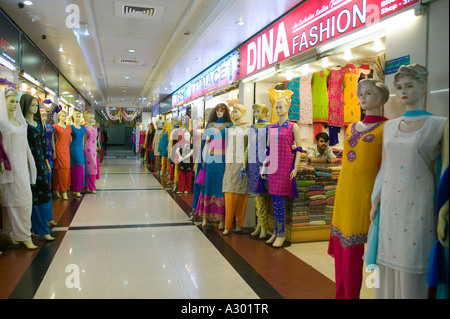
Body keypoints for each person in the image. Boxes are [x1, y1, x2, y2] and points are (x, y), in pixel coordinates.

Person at [367, 64, 448, 299]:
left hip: (419, 204)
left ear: (423, 87)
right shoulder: (390, 126)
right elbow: (385, 167)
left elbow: (445, 171)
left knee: (415, 259)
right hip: (390, 203)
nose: (403, 91)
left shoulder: (440, 124)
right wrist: (376, 200)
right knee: (386, 263)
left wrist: (444, 209)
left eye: (410, 85)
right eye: (400, 86)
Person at [327, 78, 389, 299]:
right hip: (345, 191)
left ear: (382, 97)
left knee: (369, 254)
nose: (362, 97)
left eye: (369, 93)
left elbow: (385, 165)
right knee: (345, 251)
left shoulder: (387, 128)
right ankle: (342, 294)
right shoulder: (352, 126)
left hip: (368, 193)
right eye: (360, 93)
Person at [262, 96, 302, 248]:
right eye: (276, 107)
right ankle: (276, 231)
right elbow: (268, 149)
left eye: (280, 107)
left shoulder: (293, 127)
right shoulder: (271, 127)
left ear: (287, 108)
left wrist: (296, 167)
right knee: (274, 200)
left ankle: (282, 233)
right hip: (272, 166)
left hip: (285, 166)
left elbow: (298, 148)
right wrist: (264, 166)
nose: (278, 110)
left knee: (280, 201)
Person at [0, 87, 37, 249]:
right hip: (8, 167)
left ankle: (22, 234)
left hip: (22, 165)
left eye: (16, 101)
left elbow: (26, 145)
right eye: (11, 101)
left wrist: (32, 164)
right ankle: (11, 233)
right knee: (9, 200)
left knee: (24, 198)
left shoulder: (20, 121)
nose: (15, 104)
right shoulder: (2, 123)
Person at [20, 93, 55, 241]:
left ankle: (43, 228)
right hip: (27, 163)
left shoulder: (38, 124)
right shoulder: (23, 125)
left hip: (40, 163)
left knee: (44, 193)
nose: (34, 108)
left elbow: (42, 145)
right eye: (32, 105)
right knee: (31, 196)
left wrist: (46, 161)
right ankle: (34, 228)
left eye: (36, 105)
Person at [196, 103, 233, 229]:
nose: (219, 112)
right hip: (210, 160)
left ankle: (221, 219)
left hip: (223, 160)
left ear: (225, 112)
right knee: (208, 185)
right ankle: (205, 217)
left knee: (220, 187)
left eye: (222, 110)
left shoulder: (230, 126)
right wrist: (203, 159)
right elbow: (206, 143)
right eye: (217, 110)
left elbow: (231, 144)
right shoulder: (210, 126)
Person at [222, 104, 250, 235]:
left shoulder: (248, 127)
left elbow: (249, 147)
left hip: (241, 163)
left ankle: (239, 224)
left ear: (243, 112)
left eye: (237, 111)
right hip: (229, 163)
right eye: (233, 111)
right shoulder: (231, 128)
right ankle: (228, 225)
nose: (234, 113)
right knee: (229, 193)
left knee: (241, 194)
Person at [245, 104, 270, 239]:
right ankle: (260, 224)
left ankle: (264, 226)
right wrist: (245, 163)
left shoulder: (269, 127)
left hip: (264, 163)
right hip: (254, 163)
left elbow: (270, 146)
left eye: (258, 111)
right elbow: (249, 146)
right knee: (256, 196)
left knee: (263, 195)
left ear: (265, 113)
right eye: (254, 111)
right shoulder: (252, 127)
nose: (256, 113)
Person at [53, 110, 72, 200]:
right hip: (59, 150)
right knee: (61, 170)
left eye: (65, 116)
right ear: (59, 116)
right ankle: (63, 191)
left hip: (67, 151)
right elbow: (51, 137)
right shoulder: (55, 127)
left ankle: (57, 189)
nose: (64, 117)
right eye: (62, 116)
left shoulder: (69, 128)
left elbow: (70, 139)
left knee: (66, 169)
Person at [70, 110, 86, 198]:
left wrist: (83, 149)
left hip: (80, 149)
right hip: (74, 148)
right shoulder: (71, 127)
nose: (78, 118)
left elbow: (83, 139)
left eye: (79, 116)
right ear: (73, 117)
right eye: (76, 116)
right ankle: (77, 189)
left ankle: (77, 188)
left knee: (81, 168)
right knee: (77, 169)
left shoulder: (83, 127)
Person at [83, 111, 99, 194]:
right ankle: (89, 186)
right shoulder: (84, 128)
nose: (92, 119)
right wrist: (83, 150)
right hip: (88, 148)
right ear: (86, 118)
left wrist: (97, 147)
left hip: (94, 149)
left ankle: (91, 186)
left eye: (93, 117)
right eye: (90, 117)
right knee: (89, 167)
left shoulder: (95, 128)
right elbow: (83, 140)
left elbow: (96, 139)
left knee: (93, 167)